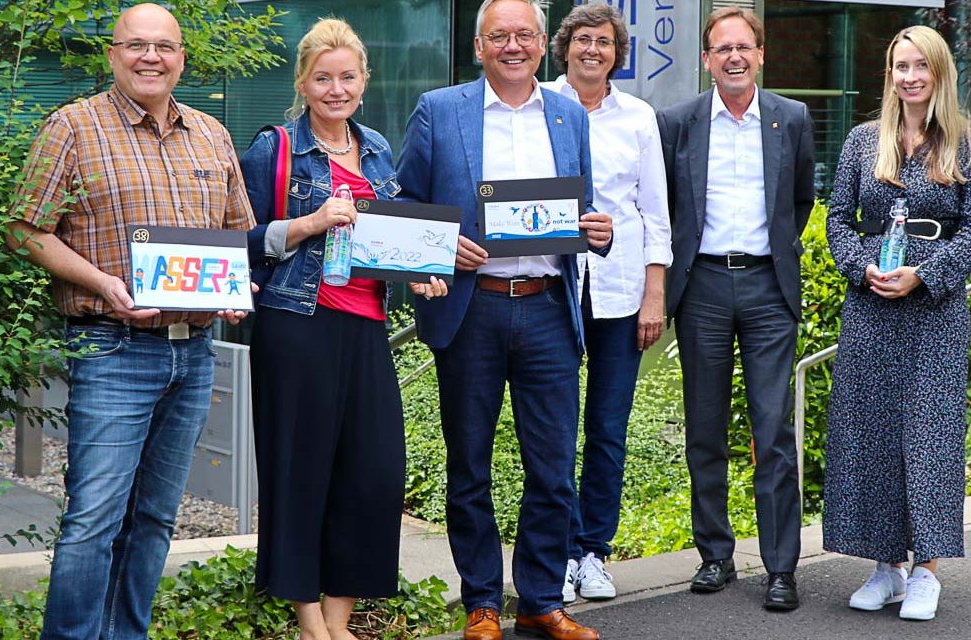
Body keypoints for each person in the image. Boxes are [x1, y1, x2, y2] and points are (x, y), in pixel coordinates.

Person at [6, 4, 255, 638]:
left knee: (156, 519)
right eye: (137, 45)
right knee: (94, 517)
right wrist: (103, 284)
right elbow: (25, 231)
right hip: (112, 347)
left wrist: (235, 288)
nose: (152, 57)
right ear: (113, 53)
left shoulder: (212, 134)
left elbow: (236, 231)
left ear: (181, 58)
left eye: (164, 47)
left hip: (193, 352)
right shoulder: (73, 127)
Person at [395, 1, 613, 638]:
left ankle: (541, 599)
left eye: (524, 35)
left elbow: (584, 208)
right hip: (473, 308)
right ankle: (482, 603)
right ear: (478, 44)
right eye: (500, 35)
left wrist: (596, 230)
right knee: (470, 465)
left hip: (547, 306)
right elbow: (404, 200)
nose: (513, 46)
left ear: (543, 43)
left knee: (552, 467)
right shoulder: (441, 109)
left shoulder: (568, 114)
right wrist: (438, 245)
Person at [238, 18, 447, 640]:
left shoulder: (380, 148)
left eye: (347, 77)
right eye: (323, 78)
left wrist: (421, 274)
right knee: (300, 471)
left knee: (373, 476)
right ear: (303, 83)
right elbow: (242, 242)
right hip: (296, 327)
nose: (336, 89)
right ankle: (310, 621)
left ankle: (337, 618)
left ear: (364, 81)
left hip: (366, 328)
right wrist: (308, 222)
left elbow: (394, 238)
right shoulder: (273, 149)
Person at [822, 25, 971, 622]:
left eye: (922, 65)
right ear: (890, 74)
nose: (910, 76)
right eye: (901, 66)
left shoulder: (969, 145)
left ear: (940, 73)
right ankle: (885, 566)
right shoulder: (863, 141)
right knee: (870, 435)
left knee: (927, 438)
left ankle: (926, 570)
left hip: (934, 312)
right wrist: (860, 266)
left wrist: (926, 274)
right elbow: (838, 220)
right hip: (873, 304)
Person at [656, 6, 814, 611]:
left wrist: (771, 257)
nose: (734, 57)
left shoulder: (791, 118)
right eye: (722, 49)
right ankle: (715, 555)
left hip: (768, 289)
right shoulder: (680, 122)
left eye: (744, 47)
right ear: (706, 58)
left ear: (761, 54)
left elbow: (800, 200)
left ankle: (780, 568)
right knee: (705, 427)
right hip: (701, 290)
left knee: (773, 430)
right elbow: (667, 205)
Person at [543, 3, 671, 603]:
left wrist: (655, 294)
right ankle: (559, 552)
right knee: (554, 428)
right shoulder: (538, 105)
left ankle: (594, 550)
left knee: (607, 428)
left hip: (620, 293)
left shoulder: (640, 117)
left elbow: (655, 214)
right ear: (563, 46)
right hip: (552, 287)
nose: (593, 50)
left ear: (617, 54)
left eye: (605, 42)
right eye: (582, 40)